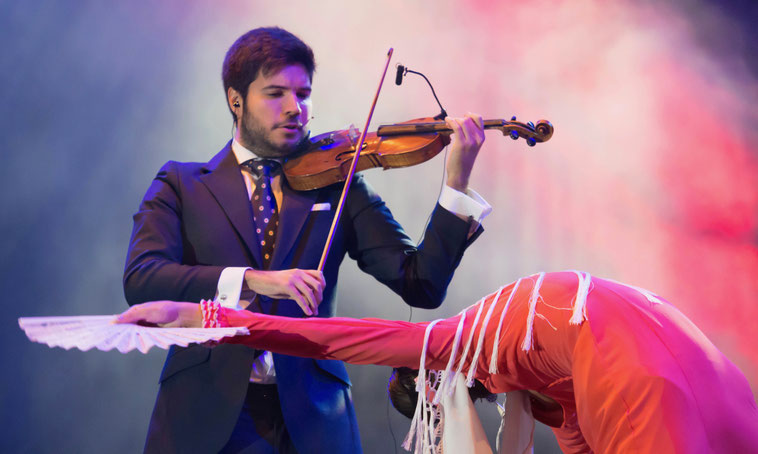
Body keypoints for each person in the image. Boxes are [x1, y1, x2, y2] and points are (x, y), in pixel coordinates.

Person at [123, 26, 490, 453]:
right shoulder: (182, 183)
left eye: (304, 93)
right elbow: (143, 278)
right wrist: (253, 279)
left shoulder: (340, 183)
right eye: (276, 93)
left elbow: (421, 284)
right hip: (205, 413)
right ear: (235, 100)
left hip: (315, 419)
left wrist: (456, 184)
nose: (295, 108)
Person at [118, 271, 758, 453]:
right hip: (693, 354)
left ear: (429, 381)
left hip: (632, 367)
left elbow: (337, 339)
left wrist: (210, 319)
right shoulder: (533, 379)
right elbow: (562, 434)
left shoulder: (461, 338)